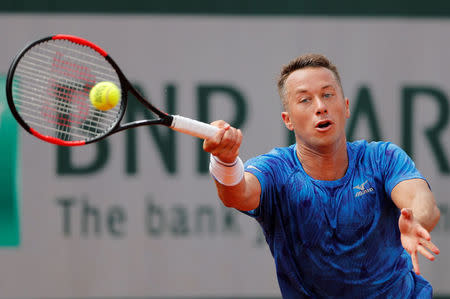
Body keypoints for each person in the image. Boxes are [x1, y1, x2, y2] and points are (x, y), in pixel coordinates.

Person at [203, 54, 441, 298]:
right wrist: (225, 160)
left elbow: (422, 201)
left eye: (328, 94)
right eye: (305, 100)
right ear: (288, 120)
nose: (320, 107)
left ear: (346, 106)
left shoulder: (382, 157)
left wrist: (416, 222)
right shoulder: (276, 171)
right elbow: (237, 194)